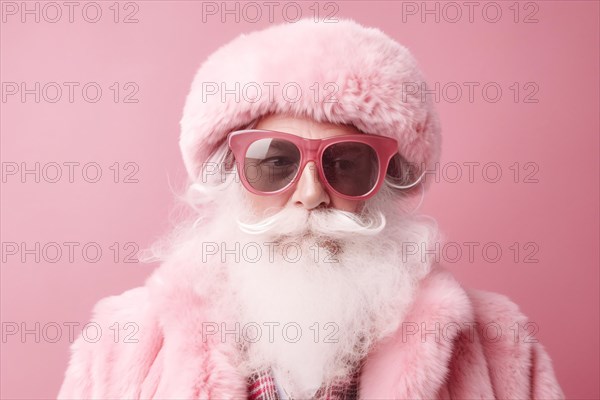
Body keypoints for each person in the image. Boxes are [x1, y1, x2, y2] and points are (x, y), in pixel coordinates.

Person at [57, 19, 564, 399]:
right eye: (274, 162)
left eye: (347, 164)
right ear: (229, 176)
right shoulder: (120, 345)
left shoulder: (501, 347)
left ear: (388, 181)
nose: (310, 194)